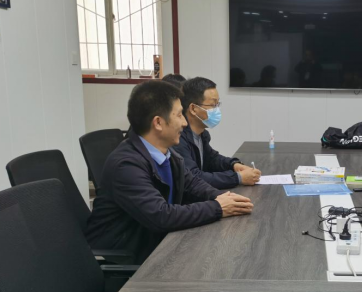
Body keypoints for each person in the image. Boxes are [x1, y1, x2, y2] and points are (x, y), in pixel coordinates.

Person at [86, 80, 255, 263]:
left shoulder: (167, 153)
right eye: (179, 115)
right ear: (158, 123)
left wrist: (224, 198)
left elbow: (192, 183)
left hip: (156, 242)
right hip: (128, 256)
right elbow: (161, 216)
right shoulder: (126, 165)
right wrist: (217, 207)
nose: (184, 123)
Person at [172, 77, 261, 190]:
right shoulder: (178, 138)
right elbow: (194, 177)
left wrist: (234, 165)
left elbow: (212, 159)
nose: (217, 110)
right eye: (213, 105)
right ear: (193, 109)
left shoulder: (202, 134)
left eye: (218, 104)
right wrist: (238, 178)